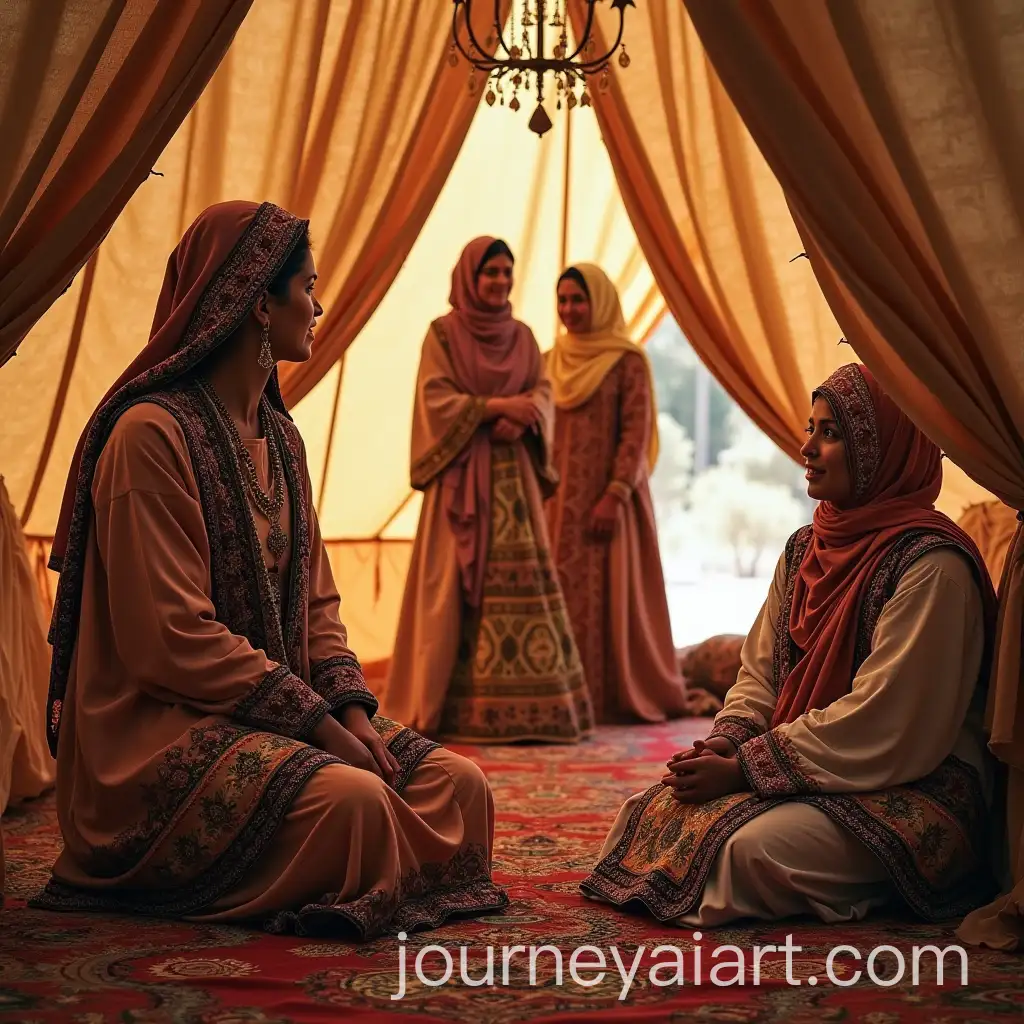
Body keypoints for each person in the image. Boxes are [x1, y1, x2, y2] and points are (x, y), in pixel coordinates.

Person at [30, 201, 506, 938]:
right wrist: (315, 723)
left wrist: (349, 712)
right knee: (356, 805)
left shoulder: (282, 441)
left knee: (461, 786)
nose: (319, 306)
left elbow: (318, 610)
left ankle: (369, 860)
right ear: (258, 302)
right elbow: (169, 639)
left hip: (279, 721)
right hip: (158, 740)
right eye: (307, 287)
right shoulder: (147, 436)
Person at [581, 363, 997, 926]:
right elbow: (759, 675)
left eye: (831, 434)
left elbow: (888, 719)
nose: (807, 447)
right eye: (811, 428)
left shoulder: (932, 565)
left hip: (914, 780)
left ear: (882, 452)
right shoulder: (806, 547)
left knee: (747, 853)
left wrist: (749, 770)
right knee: (648, 814)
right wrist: (728, 744)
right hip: (808, 763)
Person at [382, 237, 593, 744]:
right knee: (449, 592)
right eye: (490, 272)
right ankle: (445, 710)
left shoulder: (522, 336)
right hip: (460, 487)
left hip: (513, 485)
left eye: (506, 272)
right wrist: (497, 408)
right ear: (469, 278)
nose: (499, 281)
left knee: (521, 586)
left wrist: (528, 415)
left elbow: (542, 392)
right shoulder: (443, 335)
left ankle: (536, 711)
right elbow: (436, 397)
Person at [545, 264, 689, 723]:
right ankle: (565, 700)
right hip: (555, 503)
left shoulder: (626, 360)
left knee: (611, 597)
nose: (570, 310)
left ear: (601, 302)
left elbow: (635, 432)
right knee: (561, 597)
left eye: (579, 300)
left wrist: (615, 493)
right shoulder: (549, 360)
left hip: (612, 501)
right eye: (563, 300)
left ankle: (613, 698)